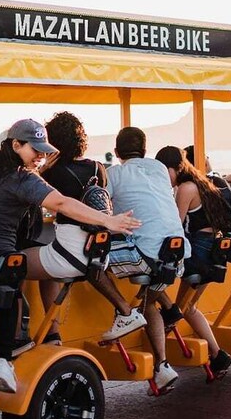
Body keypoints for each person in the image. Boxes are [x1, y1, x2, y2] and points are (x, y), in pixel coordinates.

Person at [0, 119, 141, 392]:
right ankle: (4, 360)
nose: (41, 155)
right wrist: (107, 221)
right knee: (9, 282)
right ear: (15, 145)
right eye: (35, 149)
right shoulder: (25, 180)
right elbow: (62, 203)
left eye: (43, 149)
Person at [27, 112, 146, 344]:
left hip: (68, 254)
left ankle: (19, 336)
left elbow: (26, 199)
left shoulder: (53, 172)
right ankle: (52, 335)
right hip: (97, 254)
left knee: (12, 263)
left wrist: (39, 172)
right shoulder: (98, 168)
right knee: (46, 274)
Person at [106, 127, 191, 394]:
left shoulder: (113, 173)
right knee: (149, 303)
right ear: (144, 150)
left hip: (146, 257)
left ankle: (124, 313)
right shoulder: (158, 169)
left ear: (117, 152)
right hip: (176, 258)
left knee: (91, 258)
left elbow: (101, 207)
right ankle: (162, 367)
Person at [154, 146, 231, 377]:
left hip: (197, 252)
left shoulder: (185, 189)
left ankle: (160, 357)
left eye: (164, 171)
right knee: (188, 307)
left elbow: (175, 224)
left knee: (156, 282)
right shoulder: (201, 183)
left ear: (175, 168)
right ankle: (218, 356)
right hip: (212, 251)